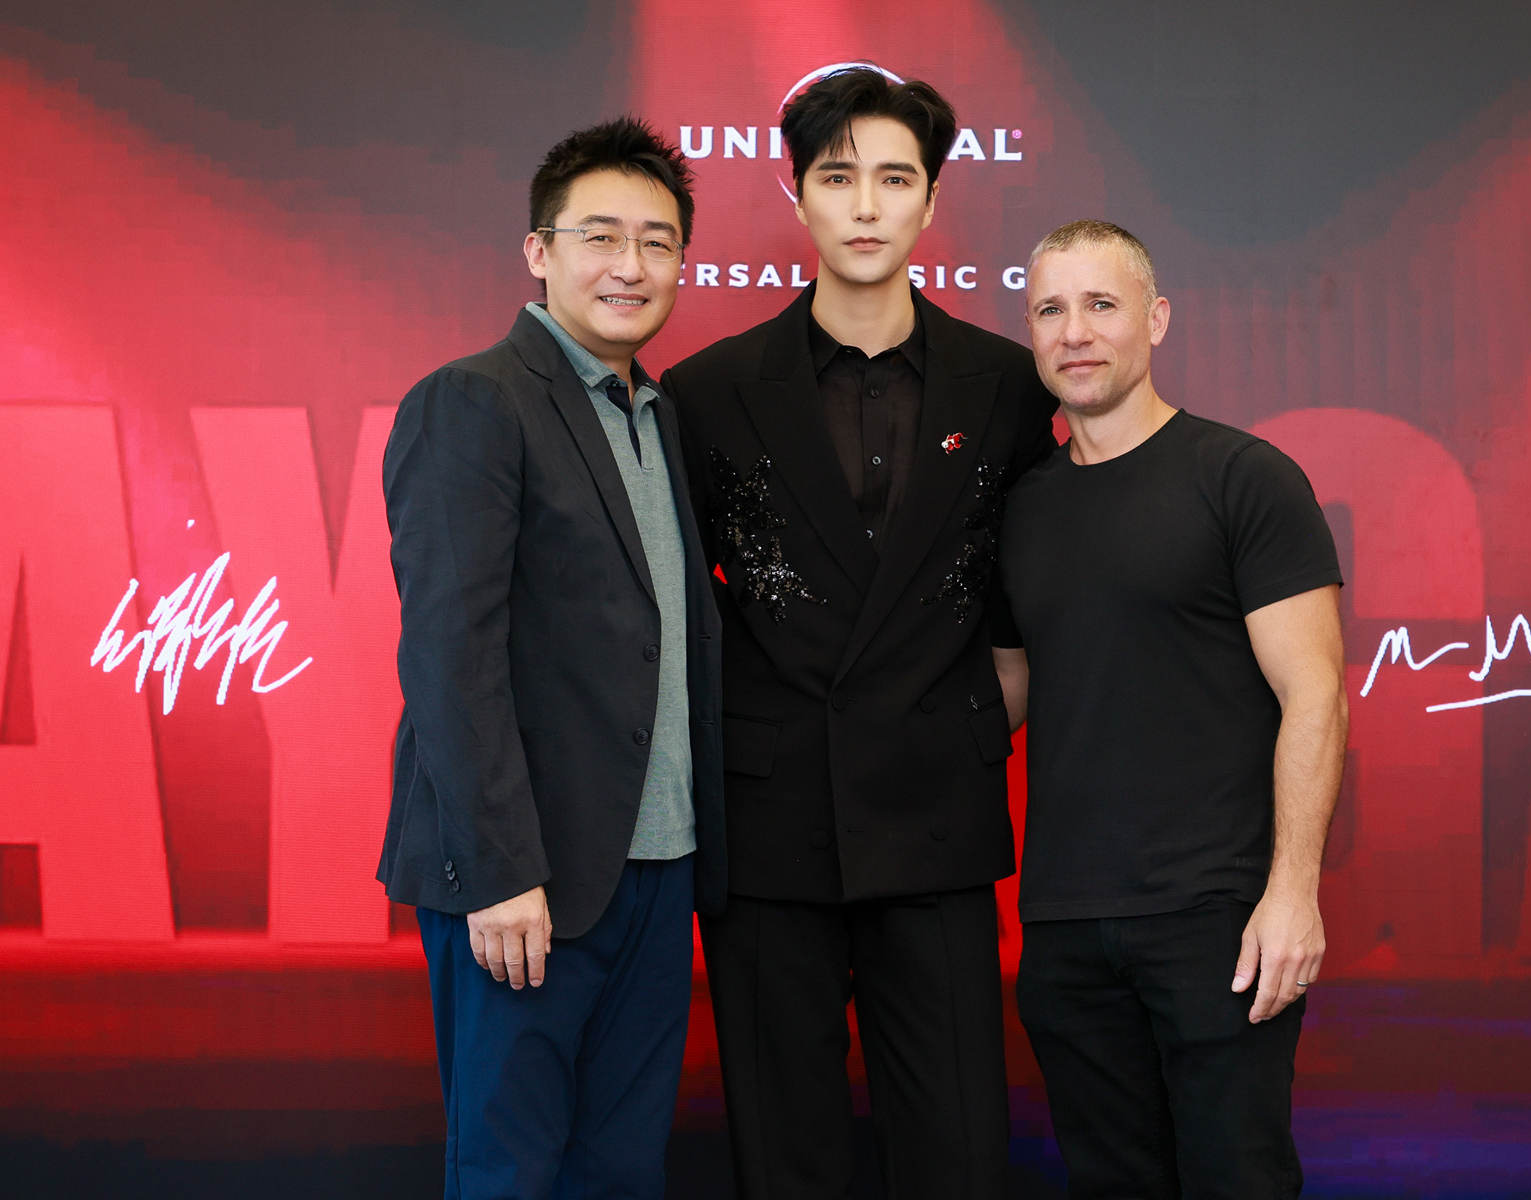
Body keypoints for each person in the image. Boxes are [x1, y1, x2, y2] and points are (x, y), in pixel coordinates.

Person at [660, 67, 1056, 1200]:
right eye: (838, 179)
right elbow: (679, 613)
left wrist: (968, 727)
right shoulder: (708, 391)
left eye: (895, 178)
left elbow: (1031, 600)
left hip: (937, 819)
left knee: (958, 1150)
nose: (868, 206)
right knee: (786, 1153)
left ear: (934, 198)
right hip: (770, 825)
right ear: (795, 196)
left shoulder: (1008, 386)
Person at [377, 117, 725, 1200]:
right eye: (600, 236)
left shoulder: (658, 416)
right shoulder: (476, 400)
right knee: (509, 1171)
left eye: (658, 242)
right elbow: (451, 655)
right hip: (526, 882)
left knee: (622, 1168)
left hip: (657, 869)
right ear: (539, 250)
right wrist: (499, 873)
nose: (631, 266)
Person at [995, 219, 1348, 1200]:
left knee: (1239, 1180)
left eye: (1100, 305)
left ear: (1155, 320)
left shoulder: (1243, 478)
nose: (1074, 332)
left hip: (1217, 923)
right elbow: (1007, 692)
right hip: (1064, 926)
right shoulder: (1020, 510)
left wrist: (1292, 892)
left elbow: (1315, 693)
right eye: (1050, 310)